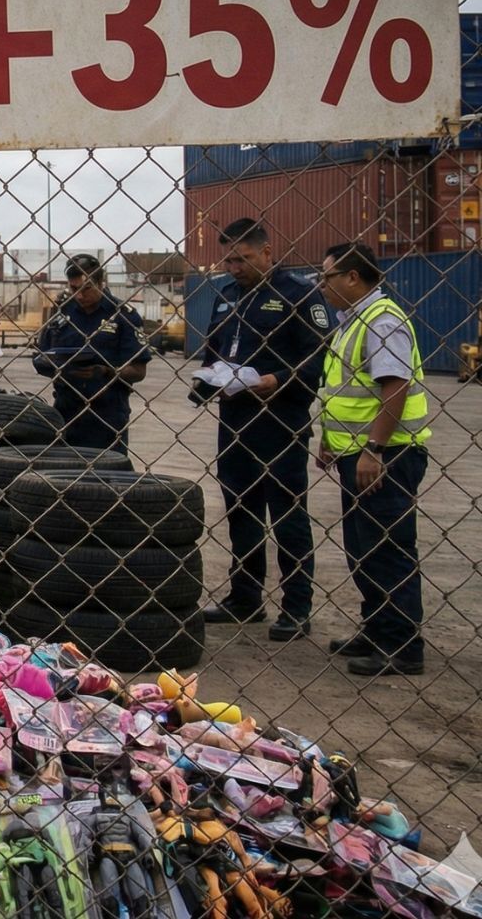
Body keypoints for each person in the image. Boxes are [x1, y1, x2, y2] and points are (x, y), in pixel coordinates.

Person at [197, 219, 330, 642]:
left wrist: (279, 379)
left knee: (288, 516)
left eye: (243, 259)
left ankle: (296, 607)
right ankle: (246, 596)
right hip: (236, 422)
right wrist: (206, 380)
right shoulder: (227, 295)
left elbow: (319, 355)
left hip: (280, 423)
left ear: (267, 253)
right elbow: (215, 349)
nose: (235, 267)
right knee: (241, 511)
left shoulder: (299, 294)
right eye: (230, 259)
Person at [315, 242, 430, 677]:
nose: (322, 286)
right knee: (363, 547)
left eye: (327, 276)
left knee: (387, 547)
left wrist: (374, 449)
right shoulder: (354, 321)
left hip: (388, 455)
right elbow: (345, 391)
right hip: (356, 453)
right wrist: (329, 439)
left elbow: (394, 387)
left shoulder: (382, 321)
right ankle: (378, 625)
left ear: (353, 278)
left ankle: (402, 645)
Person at [32, 254, 150, 453]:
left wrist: (107, 371)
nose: (79, 296)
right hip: (66, 411)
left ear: (100, 282)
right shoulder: (62, 313)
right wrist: (58, 367)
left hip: (108, 414)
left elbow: (139, 370)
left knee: (107, 475)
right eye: (74, 289)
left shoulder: (123, 315)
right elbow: (40, 358)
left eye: (86, 289)